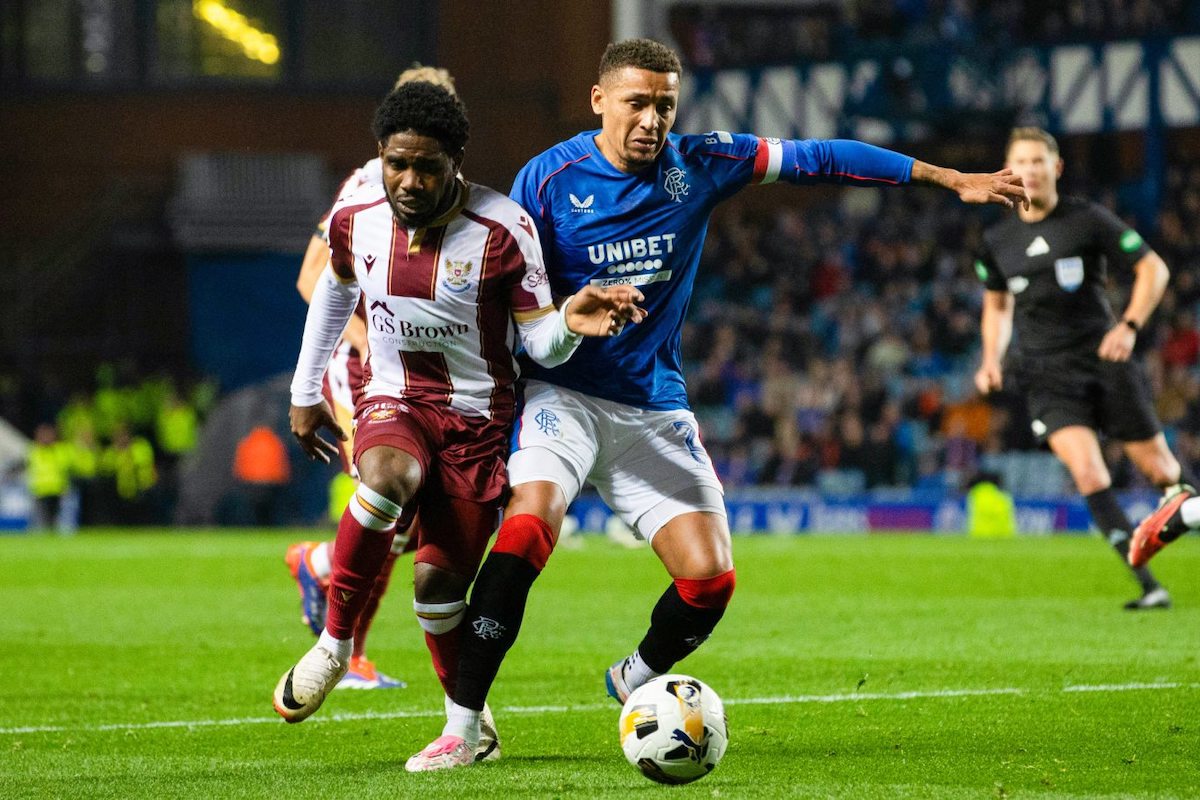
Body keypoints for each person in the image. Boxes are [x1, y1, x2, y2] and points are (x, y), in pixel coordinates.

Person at [405, 37, 1028, 772]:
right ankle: (464, 725)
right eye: (637, 102)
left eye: (665, 105)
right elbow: (508, 295)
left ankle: (634, 678)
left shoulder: (702, 162)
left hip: (652, 408)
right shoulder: (547, 179)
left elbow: (820, 157)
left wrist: (947, 178)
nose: (652, 119)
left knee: (709, 583)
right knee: (527, 534)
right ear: (599, 100)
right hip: (562, 395)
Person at [270, 82, 645, 764]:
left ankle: (468, 729)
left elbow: (536, 342)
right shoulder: (358, 219)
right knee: (386, 475)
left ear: (458, 161)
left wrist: (570, 322)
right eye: (395, 164)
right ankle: (334, 645)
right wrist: (304, 391)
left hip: (477, 423)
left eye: (427, 168)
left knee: (438, 587)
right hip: (394, 399)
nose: (408, 181)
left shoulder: (503, 230)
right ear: (379, 157)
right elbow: (333, 291)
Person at [284, 64, 458, 692]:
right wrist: (365, 336)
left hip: (413, 371)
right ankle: (348, 653)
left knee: (405, 520)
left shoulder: (450, 191)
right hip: (360, 365)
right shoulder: (366, 184)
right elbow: (313, 279)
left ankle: (322, 562)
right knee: (387, 498)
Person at [973, 126, 1190, 610]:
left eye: (1037, 161)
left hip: (1104, 362)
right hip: (1046, 376)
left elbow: (1153, 269)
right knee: (1089, 473)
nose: (1028, 171)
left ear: (1056, 167)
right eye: (1020, 163)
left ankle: (1181, 510)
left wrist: (1130, 324)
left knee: (1163, 471)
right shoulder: (996, 240)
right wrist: (990, 360)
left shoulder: (1087, 220)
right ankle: (1149, 585)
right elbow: (997, 307)